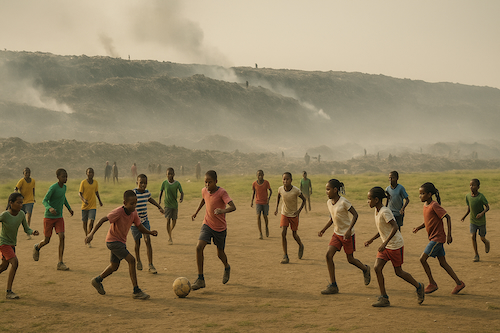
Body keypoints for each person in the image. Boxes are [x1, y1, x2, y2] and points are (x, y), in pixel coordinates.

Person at [85, 190, 157, 299]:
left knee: (114, 266)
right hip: (113, 241)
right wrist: (91, 234)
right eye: (131, 204)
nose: (134, 206)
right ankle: (136, 290)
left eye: (135, 203)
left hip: (120, 242)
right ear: (125, 203)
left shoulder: (134, 213)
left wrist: (150, 232)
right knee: (132, 260)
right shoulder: (118, 212)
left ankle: (97, 280)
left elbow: (139, 227)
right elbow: (102, 220)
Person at [364, 187, 424, 307]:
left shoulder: (385, 211)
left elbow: (395, 227)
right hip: (386, 245)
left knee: (399, 272)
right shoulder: (376, 210)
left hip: (395, 245)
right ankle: (384, 297)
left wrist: (384, 243)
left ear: (376, 199)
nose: (367, 201)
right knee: (377, 267)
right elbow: (382, 229)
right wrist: (371, 239)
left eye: (369, 199)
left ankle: (419, 286)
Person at [318, 179, 370, 295]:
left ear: (335, 190)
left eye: (328, 189)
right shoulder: (329, 203)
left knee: (350, 259)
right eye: (326, 189)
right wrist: (323, 229)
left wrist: (348, 230)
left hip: (347, 235)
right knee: (328, 255)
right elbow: (332, 218)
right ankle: (333, 285)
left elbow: (355, 215)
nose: (326, 192)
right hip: (336, 234)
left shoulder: (343, 202)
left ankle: (365, 269)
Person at [413, 182, 465, 295]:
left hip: (437, 239)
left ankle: (432, 283)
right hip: (434, 238)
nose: (420, 196)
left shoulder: (434, 205)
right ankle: (459, 283)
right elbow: (428, 221)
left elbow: (448, 217)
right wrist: (419, 227)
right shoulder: (426, 206)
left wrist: (449, 235)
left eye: (422, 193)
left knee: (422, 259)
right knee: (443, 263)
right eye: (420, 193)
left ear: (429, 194)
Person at [191, 170, 236, 290]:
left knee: (220, 253)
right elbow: (203, 199)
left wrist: (222, 211)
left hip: (220, 228)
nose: (207, 185)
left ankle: (227, 267)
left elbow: (233, 207)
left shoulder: (222, 192)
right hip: (207, 224)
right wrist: (196, 212)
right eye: (205, 182)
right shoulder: (204, 190)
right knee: (199, 247)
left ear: (216, 181)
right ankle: (200, 279)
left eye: (209, 182)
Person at [33, 168, 74, 271]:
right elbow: (44, 200)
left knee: (62, 236)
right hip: (49, 217)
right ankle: (37, 247)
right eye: (63, 176)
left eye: (66, 176)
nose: (65, 178)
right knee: (47, 240)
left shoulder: (64, 187)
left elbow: (63, 198)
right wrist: (49, 208)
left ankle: (60, 262)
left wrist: (69, 208)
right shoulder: (53, 188)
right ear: (58, 177)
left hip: (59, 217)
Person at [1, 193, 39, 299]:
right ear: (11, 203)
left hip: (12, 244)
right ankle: (9, 291)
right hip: (3, 244)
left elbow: (27, 228)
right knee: (15, 263)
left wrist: (32, 232)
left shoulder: (21, 214)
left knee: (4, 267)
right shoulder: (5, 215)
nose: (20, 205)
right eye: (18, 202)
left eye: (22, 202)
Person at [133, 174, 164, 274]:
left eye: (145, 183)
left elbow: (150, 199)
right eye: (141, 182)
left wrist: (159, 206)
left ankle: (150, 265)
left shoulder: (146, 193)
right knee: (137, 243)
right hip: (134, 223)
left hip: (145, 221)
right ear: (136, 182)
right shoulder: (133, 193)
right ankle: (138, 260)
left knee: (148, 240)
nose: (143, 185)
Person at [274, 172, 306, 264]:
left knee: (294, 234)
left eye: (287, 179)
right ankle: (285, 256)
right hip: (284, 213)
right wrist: (276, 208)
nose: (285, 181)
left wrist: (299, 211)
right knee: (283, 233)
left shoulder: (296, 190)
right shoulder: (280, 189)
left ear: (291, 180)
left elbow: (304, 200)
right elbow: (279, 196)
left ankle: (301, 245)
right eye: (284, 179)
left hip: (294, 214)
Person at [460, 178, 490, 262]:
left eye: (473, 185)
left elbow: (487, 207)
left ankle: (486, 242)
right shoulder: (468, 196)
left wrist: (481, 213)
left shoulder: (481, 197)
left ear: (478, 187)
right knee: (473, 236)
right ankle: (476, 255)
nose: (471, 187)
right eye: (470, 185)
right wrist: (464, 216)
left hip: (481, 221)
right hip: (473, 221)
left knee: (482, 238)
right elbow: (469, 209)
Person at [79, 168, 103, 248]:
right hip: (85, 206)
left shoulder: (95, 182)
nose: (91, 174)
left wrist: (100, 201)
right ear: (86, 173)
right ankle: (87, 235)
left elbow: (96, 192)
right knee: (85, 222)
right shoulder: (83, 182)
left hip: (93, 205)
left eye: (92, 172)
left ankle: (89, 237)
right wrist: (83, 200)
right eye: (89, 172)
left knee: (91, 222)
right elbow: (80, 193)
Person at [159, 168, 184, 245]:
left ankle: (170, 230)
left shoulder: (177, 183)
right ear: (166, 175)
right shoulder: (164, 183)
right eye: (168, 174)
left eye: (171, 174)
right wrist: (159, 201)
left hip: (174, 205)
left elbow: (182, 192)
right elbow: (161, 192)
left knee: (174, 221)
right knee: (168, 220)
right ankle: (170, 237)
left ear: (174, 174)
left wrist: (181, 198)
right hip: (167, 205)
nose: (170, 175)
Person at [14, 167, 36, 239]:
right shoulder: (21, 181)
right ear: (23, 174)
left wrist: (34, 198)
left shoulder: (33, 181)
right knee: (20, 216)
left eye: (29, 172)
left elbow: (33, 189)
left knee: (29, 216)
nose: (27, 174)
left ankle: (28, 232)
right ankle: (14, 230)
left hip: (30, 200)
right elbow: (16, 188)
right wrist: (16, 196)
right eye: (26, 173)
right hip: (22, 201)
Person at [250, 170, 272, 239]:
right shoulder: (254, 184)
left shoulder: (266, 183)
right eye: (258, 175)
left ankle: (266, 227)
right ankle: (260, 233)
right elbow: (254, 193)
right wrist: (252, 201)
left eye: (261, 175)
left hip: (265, 202)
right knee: (258, 216)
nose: (260, 176)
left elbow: (270, 191)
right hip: (258, 202)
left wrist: (268, 198)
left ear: (263, 175)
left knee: (265, 216)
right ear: (256, 175)